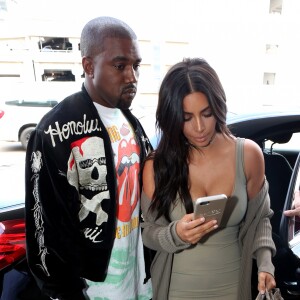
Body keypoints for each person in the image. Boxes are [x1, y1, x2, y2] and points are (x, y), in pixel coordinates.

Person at [25, 16, 153, 300]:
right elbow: (44, 228)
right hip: (89, 290)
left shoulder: (131, 122)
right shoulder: (56, 130)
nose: (132, 76)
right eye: (120, 66)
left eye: (136, 66)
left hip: (138, 282)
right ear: (88, 65)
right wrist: (65, 292)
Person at [141, 57, 276, 300]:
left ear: (219, 106)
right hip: (176, 290)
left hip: (233, 286)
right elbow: (149, 232)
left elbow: (260, 219)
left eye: (207, 113)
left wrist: (265, 264)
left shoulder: (248, 155)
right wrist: (176, 235)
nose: (200, 127)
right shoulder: (157, 165)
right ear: (172, 117)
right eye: (187, 117)